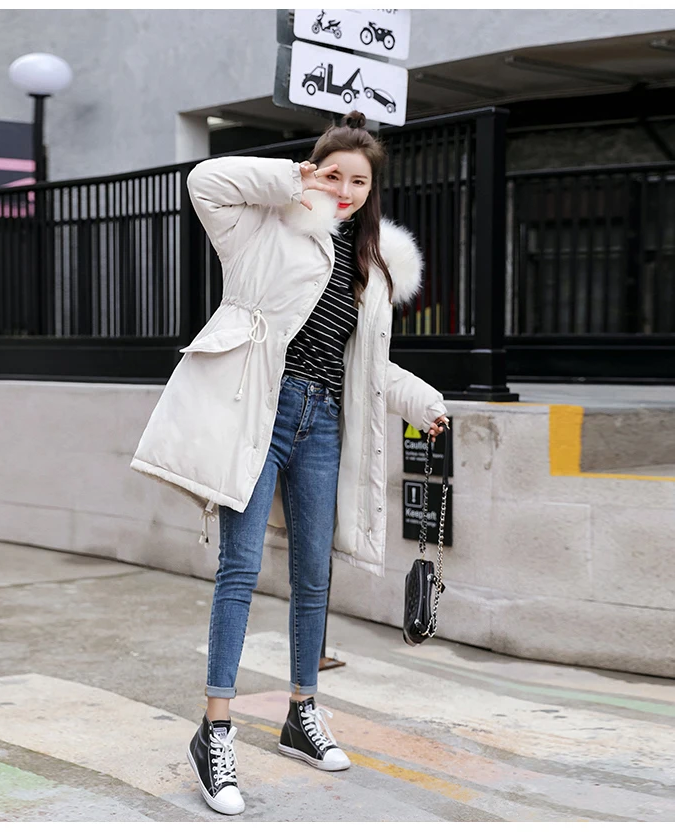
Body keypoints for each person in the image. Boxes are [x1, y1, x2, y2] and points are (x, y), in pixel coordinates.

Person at [130, 111, 448, 816]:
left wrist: (423, 402)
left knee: (313, 573)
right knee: (239, 569)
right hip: (261, 412)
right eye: (333, 174)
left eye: (359, 181)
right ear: (311, 170)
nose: (345, 189)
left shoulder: (372, 266)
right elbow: (205, 179)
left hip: (323, 422)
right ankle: (215, 729)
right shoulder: (262, 228)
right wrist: (290, 181)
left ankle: (302, 711)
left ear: (373, 190)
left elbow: (368, 368)